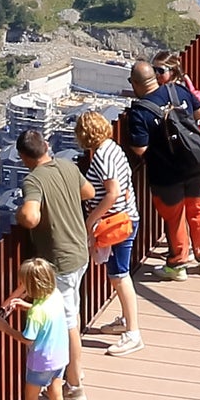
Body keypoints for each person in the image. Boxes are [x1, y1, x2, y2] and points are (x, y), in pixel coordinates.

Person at [13, 126, 91, 400]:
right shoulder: (68, 166)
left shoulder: (33, 181)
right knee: (73, 315)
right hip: (80, 251)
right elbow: (89, 191)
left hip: (60, 260)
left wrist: (21, 213)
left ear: (23, 157)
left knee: (69, 322)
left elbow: (31, 218)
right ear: (46, 146)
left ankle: (75, 384)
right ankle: (74, 371)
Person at [124, 56, 200, 278]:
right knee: (197, 209)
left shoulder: (140, 112)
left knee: (174, 217)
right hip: (195, 162)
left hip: (166, 174)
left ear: (134, 83)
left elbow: (139, 149)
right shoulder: (177, 90)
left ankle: (178, 264)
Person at [73, 109, 144, 350]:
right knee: (117, 273)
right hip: (124, 217)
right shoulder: (113, 148)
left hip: (117, 223)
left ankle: (133, 333)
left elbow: (112, 193)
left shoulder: (103, 156)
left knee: (119, 275)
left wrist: (90, 220)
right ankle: (126, 319)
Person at [13, 256, 70, 400]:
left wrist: (4, 328)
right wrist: (28, 306)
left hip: (40, 362)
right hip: (60, 356)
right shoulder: (55, 295)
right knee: (57, 395)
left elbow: (28, 338)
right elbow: (47, 315)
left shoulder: (36, 312)